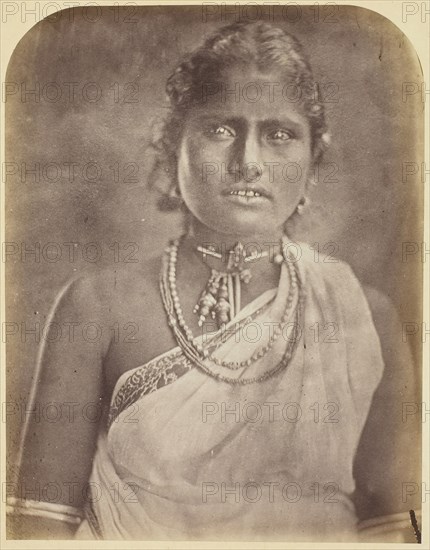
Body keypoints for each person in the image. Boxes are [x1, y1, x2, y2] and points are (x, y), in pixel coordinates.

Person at [7, 21, 420, 541]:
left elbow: (394, 531)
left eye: (279, 135)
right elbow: (37, 528)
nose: (248, 163)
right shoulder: (96, 307)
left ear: (312, 163)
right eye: (221, 129)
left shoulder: (366, 317)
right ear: (173, 146)